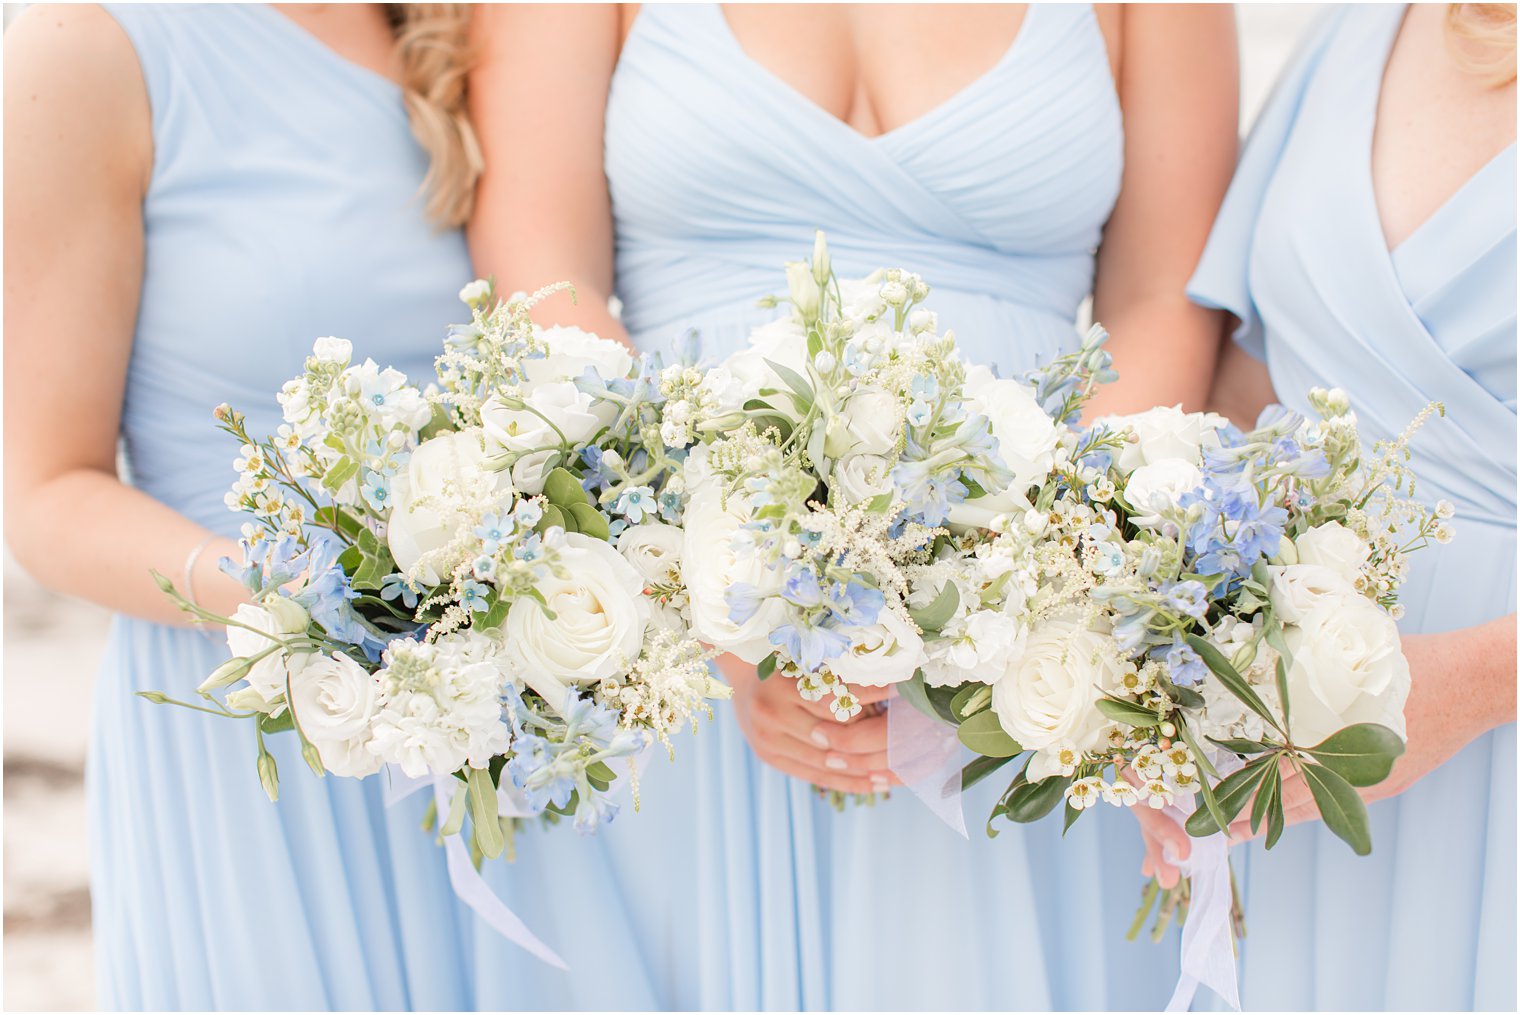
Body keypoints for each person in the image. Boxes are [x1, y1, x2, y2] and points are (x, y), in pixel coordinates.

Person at [468, 4, 1238, 1007]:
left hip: (1019, 650)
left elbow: (1161, 298)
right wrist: (724, 614)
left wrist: (1010, 596)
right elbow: (539, 269)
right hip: (667, 640)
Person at [5, 5, 665, 1008]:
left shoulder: (467, 33)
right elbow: (49, 493)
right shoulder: (92, 47)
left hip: (499, 727)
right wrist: (311, 605)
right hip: (261, 721)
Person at [1136, 4, 1516, 1009]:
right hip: (1300, 768)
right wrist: (1165, 692)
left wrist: (1471, 684)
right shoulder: (1362, 25)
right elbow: (1243, 391)